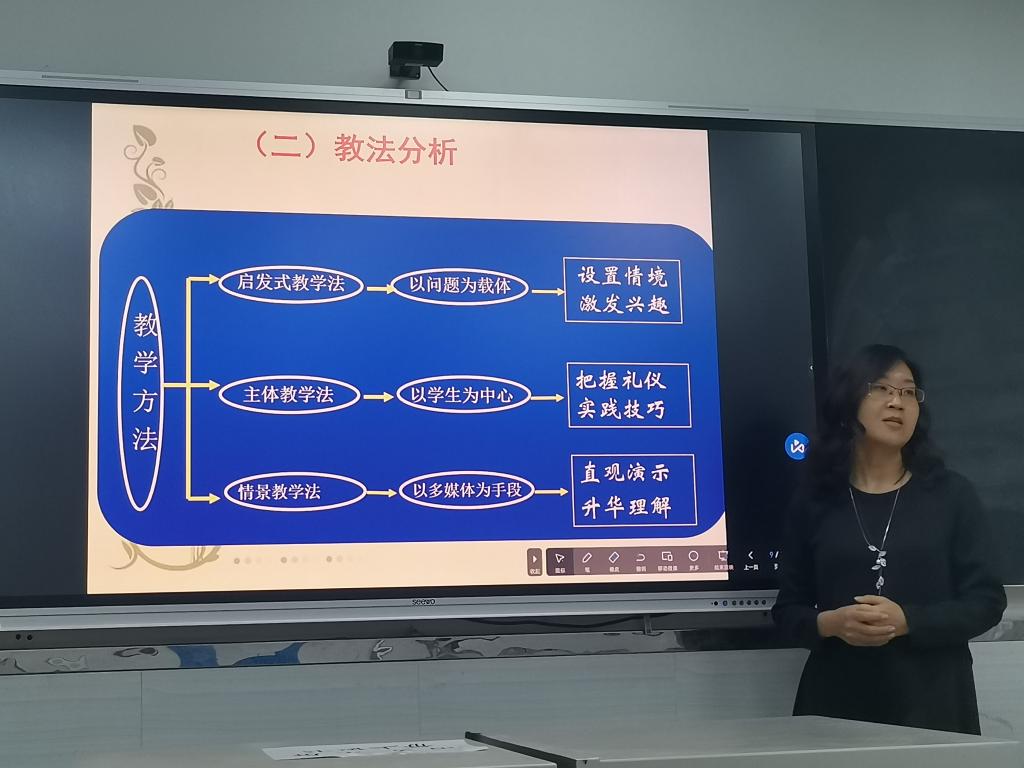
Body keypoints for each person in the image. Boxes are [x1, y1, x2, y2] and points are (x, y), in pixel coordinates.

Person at [772, 344, 1006, 734]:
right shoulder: (815, 500)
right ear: (848, 403)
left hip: (934, 702)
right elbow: (787, 611)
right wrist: (830, 623)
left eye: (908, 392)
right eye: (881, 388)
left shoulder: (951, 495)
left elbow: (987, 602)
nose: (897, 401)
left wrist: (908, 621)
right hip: (835, 702)